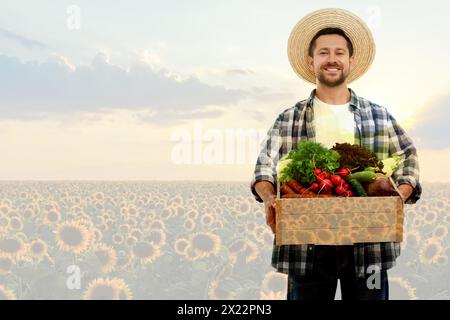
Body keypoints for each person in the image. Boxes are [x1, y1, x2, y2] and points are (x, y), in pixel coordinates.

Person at [250, 8, 421, 300]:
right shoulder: (289, 118)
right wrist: (269, 198)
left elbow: (408, 159)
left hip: (368, 245)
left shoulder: (378, 115)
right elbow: (264, 166)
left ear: (350, 61)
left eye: (339, 52)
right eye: (324, 52)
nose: (332, 59)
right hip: (307, 245)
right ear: (311, 61)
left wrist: (395, 198)